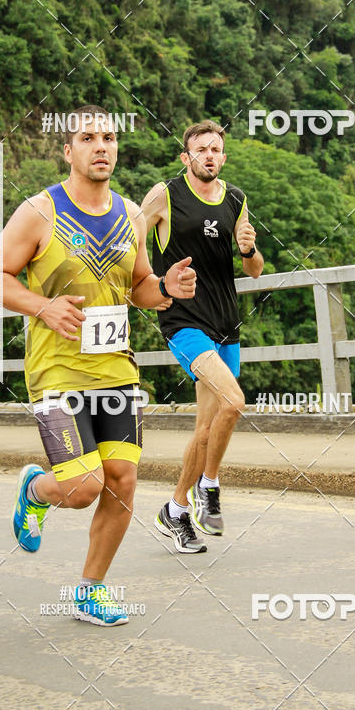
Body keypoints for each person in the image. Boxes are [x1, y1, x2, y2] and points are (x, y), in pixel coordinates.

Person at [0, 105, 196, 625]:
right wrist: (42, 306)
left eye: (109, 138)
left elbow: (139, 285)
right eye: (88, 138)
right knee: (81, 487)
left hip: (116, 369)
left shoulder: (130, 216)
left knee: (121, 479)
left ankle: (89, 590)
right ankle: (36, 489)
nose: (102, 146)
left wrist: (165, 289)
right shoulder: (39, 212)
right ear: (68, 150)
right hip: (56, 371)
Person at [142, 120, 264, 553]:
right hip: (184, 321)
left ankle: (175, 509)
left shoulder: (236, 198)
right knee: (234, 401)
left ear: (223, 156)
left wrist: (248, 249)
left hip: (226, 323)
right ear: (186, 157)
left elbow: (254, 269)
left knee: (208, 426)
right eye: (200, 150)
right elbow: (130, 248)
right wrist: (153, 288)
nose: (208, 155)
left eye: (216, 149)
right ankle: (208, 486)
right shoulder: (165, 195)